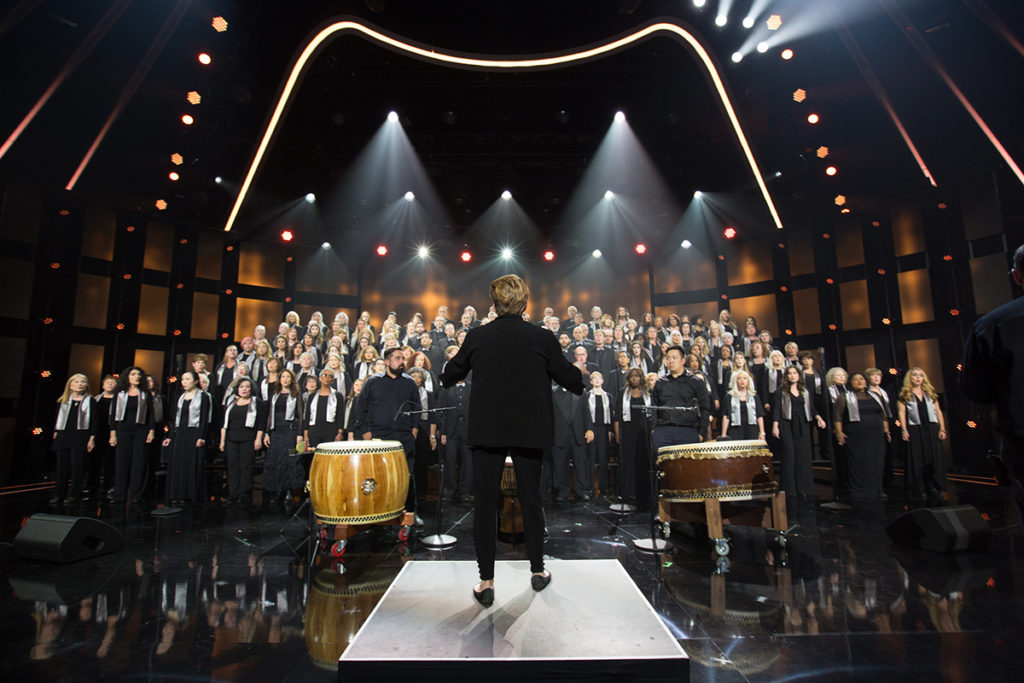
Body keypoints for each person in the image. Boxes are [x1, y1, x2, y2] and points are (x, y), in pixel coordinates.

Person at [441, 275, 584, 607]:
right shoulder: (542, 337)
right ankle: (537, 571)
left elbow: (451, 373)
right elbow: (570, 378)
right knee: (531, 498)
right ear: (525, 304)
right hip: (529, 431)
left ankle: (486, 582)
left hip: (487, 431)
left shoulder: (478, 336)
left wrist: (453, 369)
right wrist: (578, 374)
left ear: (494, 304)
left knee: (486, 505)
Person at [351, 347, 422, 522]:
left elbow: (417, 409)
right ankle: (378, 513)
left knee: (406, 476)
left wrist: (414, 431)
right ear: (388, 362)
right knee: (378, 476)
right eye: (398, 358)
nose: (402, 362)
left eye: (403, 358)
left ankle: (411, 513)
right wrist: (366, 432)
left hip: (404, 438)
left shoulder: (409, 383)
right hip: (378, 438)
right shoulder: (373, 382)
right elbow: (360, 409)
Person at [832, 373, 890, 501]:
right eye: (855, 379)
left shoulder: (875, 396)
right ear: (850, 383)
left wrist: (886, 430)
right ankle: (858, 490)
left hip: (875, 435)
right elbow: (837, 417)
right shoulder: (844, 397)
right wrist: (839, 433)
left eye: (861, 379)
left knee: (876, 462)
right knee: (858, 462)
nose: (858, 381)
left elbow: (883, 414)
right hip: (856, 435)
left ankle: (877, 489)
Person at [771, 366, 827, 499]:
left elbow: (811, 409)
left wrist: (818, 417)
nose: (792, 375)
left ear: (799, 375)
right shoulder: (781, 391)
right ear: (786, 376)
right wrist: (775, 426)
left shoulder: (805, 391)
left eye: (794, 373)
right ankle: (789, 489)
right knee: (789, 456)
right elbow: (777, 410)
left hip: (803, 424)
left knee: (803, 457)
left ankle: (804, 488)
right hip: (786, 424)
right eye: (789, 373)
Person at [898, 367, 947, 506]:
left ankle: (933, 487)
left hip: (931, 428)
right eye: (914, 375)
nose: (918, 377)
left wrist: (942, 428)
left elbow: (938, 412)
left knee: (932, 458)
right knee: (917, 459)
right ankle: (918, 489)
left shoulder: (930, 393)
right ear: (910, 378)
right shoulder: (905, 394)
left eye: (920, 375)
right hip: (914, 429)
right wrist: (904, 430)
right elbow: (901, 413)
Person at [163, 371, 211, 505]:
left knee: (191, 464)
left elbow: (204, 419)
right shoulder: (180, 396)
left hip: (194, 433)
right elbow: (175, 419)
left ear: (195, 381)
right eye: (183, 380)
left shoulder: (203, 396)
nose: (184, 382)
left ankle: (190, 494)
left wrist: (201, 436)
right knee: (178, 463)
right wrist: (171, 436)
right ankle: (177, 494)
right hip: (180, 434)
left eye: (187, 379)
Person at [109, 366, 156, 504]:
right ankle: (119, 494)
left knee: (139, 463)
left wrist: (151, 431)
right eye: (133, 374)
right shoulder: (120, 393)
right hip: (122, 430)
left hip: (140, 431)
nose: (137, 376)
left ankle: (136, 494)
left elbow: (151, 415)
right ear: (127, 377)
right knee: (122, 462)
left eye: (139, 374)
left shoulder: (145, 393)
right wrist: (113, 434)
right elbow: (113, 416)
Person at [651, 346, 711, 449]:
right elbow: (654, 407)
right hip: (663, 432)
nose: (670, 361)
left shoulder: (696, 382)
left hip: (688, 431)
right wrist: (654, 429)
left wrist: (701, 433)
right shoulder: (660, 383)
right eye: (668, 358)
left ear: (683, 360)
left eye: (674, 358)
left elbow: (705, 408)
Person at [51, 373, 98, 505]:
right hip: (64, 436)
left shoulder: (90, 400)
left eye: (82, 382)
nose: (80, 384)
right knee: (62, 467)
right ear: (70, 385)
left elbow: (95, 421)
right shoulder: (63, 401)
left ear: (86, 385)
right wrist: (56, 432)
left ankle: (74, 494)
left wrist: (92, 438)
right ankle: (58, 494)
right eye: (76, 382)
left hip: (81, 436)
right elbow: (56, 419)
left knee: (78, 467)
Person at [263, 368, 305, 508]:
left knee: (290, 461)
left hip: (290, 431)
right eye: (283, 377)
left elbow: (300, 415)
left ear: (292, 379)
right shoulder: (275, 394)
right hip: (276, 432)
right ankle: (277, 492)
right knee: (275, 461)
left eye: (288, 377)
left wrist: (299, 434)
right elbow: (269, 414)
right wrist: (267, 432)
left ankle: (291, 491)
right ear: (279, 379)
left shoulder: (296, 394)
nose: (285, 379)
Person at [219, 377, 266, 504]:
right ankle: (233, 493)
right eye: (241, 387)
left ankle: (244, 494)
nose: (244, 389)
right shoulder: (231, 403)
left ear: (251, 389)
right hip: (231, 439)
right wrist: (222, 441)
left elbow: (261, 423)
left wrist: (258, 439)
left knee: (246, 467)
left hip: (249, 439)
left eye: (247, 387)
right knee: (232, 466)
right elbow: (225, 424)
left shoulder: (257, 403)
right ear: (237, 389)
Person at [613, 367, 652, 508]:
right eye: (632, 376)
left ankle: (643, 493)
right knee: (628, 462)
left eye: (637, 376)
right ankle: (627, 493)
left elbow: (652, 415)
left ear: (641, 378)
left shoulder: (648, 393)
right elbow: (617, 415)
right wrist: (617, 433)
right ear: (628, 378)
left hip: (644, 433)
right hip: (628, 432)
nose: (634, 378)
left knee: (643, 462)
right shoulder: (622, 393)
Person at [580, 371, 615, 503]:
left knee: (603, 459)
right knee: (591, 458)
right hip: (592, 429)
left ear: (602, 380)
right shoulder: (587, 395)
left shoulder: (608, 396)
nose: (596, 380)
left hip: (604, 429)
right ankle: (589, 487)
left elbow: (611, 415)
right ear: (590, 381)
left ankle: (604, 488)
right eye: (594, 378)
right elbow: (584, 414)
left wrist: (611, 431)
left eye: (599, 378)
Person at [720, 370, 766, 441]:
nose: (742, 380)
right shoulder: (729, 396)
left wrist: (762, 432)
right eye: (739, 378)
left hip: (752, 428)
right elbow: (726, 416)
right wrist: (723, 433)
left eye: (744, 378)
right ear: (735, 381)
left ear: (748, 381)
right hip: (735, 429)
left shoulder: (754, 396)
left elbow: (759, 415)